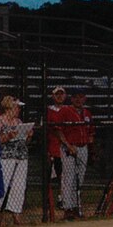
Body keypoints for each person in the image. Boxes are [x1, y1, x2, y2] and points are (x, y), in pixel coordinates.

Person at [0, 95, 32, 227]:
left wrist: (28, 135)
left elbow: (25, 141)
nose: (18, 110)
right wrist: (8, 136)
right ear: (9, 107)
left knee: (19, 185)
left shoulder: (19, 122)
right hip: (6, 156)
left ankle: (16, 213)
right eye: (16, 107)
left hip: (20, 156)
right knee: (3, 184)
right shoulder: (0, 121)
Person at [57, 88, 93, 219]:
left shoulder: (86, 112)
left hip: (83, 147)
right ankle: (68, 208)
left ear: (85, 98)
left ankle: (76, 205)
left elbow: (91, 131)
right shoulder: (65, 110)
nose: (78, 99)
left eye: (81, 96)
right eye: (76, 97)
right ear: (71, 99)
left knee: (79, 178)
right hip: (69, 147)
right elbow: (59, 130)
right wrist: (68, 145)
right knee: (69, 177)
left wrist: (90, 141)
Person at [45, 86, 68, 215]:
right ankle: (49, 200)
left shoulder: (68, 110)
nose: (59, 96)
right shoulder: (49, 111)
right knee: (51, 175)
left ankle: (61, 198)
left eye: (61, 94)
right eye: (57, 94)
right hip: (53, 146)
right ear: (53, 96)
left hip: (64, 147)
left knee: (63, 175)